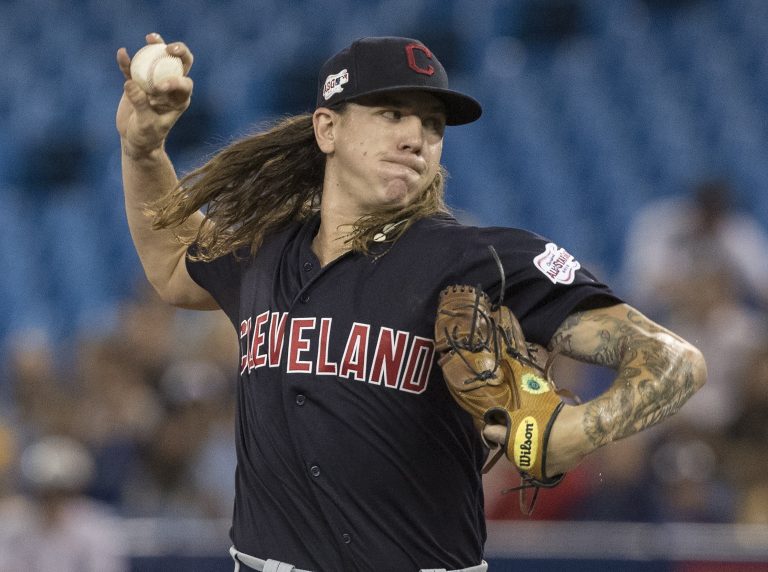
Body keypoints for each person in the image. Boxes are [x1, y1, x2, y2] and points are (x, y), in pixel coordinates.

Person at [115, 33, 707, 572]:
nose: (415, 137)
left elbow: (673, 359)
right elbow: (173, 264)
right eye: (391, 113)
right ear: (327, 129)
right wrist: (142, 151)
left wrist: (578, 429)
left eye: (432, 124)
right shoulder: (267, 251)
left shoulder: (480, 261)